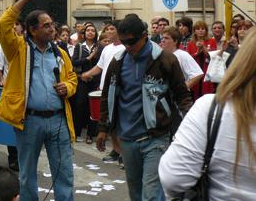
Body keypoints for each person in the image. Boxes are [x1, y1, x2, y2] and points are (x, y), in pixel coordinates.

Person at [96, 14, 192, 201]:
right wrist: (103, 128)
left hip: (156, 137)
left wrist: (191, 126)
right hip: (127, 138)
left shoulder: (166, 59)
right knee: (136, 193)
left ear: (144, 35)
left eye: (131, 42)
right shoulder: (118, 61)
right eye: (123, 42)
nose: (127, 46)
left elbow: (182, 96)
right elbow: (107, 95)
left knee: (151, 194)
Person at [0, 0, 77, 201]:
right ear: (33, 30)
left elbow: (72, 79)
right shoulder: (18, 49)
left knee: (64, 173)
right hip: (29, 121)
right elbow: (3, 24)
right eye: (47, 25)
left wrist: (67, 88)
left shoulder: (59, 52)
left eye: (52, 25)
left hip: (58, 120)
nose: (53, 29)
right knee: (27, 174)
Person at [159, 28, 256, 200]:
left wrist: (182, 89)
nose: (162, 41)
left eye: (166, 38)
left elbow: (173, 179)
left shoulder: (210, 107)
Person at [81, 20, 124, 164]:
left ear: (119, 31)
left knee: (120, 123)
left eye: (112, 29)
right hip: (104, 90)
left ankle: (124, 153)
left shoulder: (125, 48)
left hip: (119, 91)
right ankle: (117, 151)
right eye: (107, 29)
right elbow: (100, 67)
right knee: (109, 123)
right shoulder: (106, 48)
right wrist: (88, 73)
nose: (108, 32)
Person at [0, 20, 23, 171]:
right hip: (10, 91)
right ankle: (13, 158)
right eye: (12, 26)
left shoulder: (28, 46)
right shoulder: (4, 48)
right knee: (11, 126)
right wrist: (2, 80)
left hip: (26, 92)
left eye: (16, 25)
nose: (14, 28)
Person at [71, 23, 100, 144]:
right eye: (88, 30)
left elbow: (100, 63)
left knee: (92, 108)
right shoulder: (79, 46)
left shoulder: (99, 47)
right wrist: (88, 58)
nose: (90, 32)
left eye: (93, 31)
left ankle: (90, 135)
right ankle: (77, 133)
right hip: (82, 80)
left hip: (94, 81)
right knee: (79, 106)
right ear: (84, 33)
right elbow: (75, 62)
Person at [186, 21, 218, 100]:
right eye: (198, 29)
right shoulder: (191, 43)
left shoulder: (212, 41)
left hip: (207, 70)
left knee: (207, 93)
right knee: (195, 93)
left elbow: (213, 56)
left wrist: (203, 47)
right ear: (194, 31)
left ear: (206, 31)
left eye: (203, 29)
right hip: (195, 71)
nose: (200, 31)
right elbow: (188, 58)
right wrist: (197, 53)